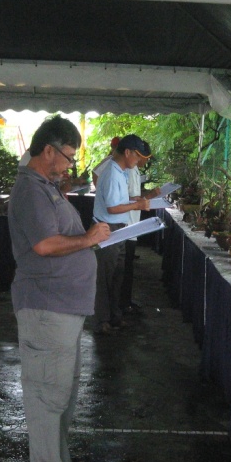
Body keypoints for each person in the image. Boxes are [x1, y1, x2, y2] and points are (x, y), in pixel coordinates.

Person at [7, 115, 111, 462]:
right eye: (68, 157)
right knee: (47, 392)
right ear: (47, 151)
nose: (71, 165)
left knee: (62, 390)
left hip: (62, 307)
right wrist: (88, 238)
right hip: (46, 307)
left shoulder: (45, 186)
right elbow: (45, 245)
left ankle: (58, 459)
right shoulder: (31, 190)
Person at [91, 134, 152, 334]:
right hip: (108, 229)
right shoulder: (111, 173)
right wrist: (137, 204)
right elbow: (112, 208)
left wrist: (138, 198)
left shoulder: (120, 171)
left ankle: (114, 316)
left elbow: (121, 199)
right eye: (137, 156)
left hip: (119, 229)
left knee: (117, 276)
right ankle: (102, 321)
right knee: (105, 278)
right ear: (127, 153)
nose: (139, 161)